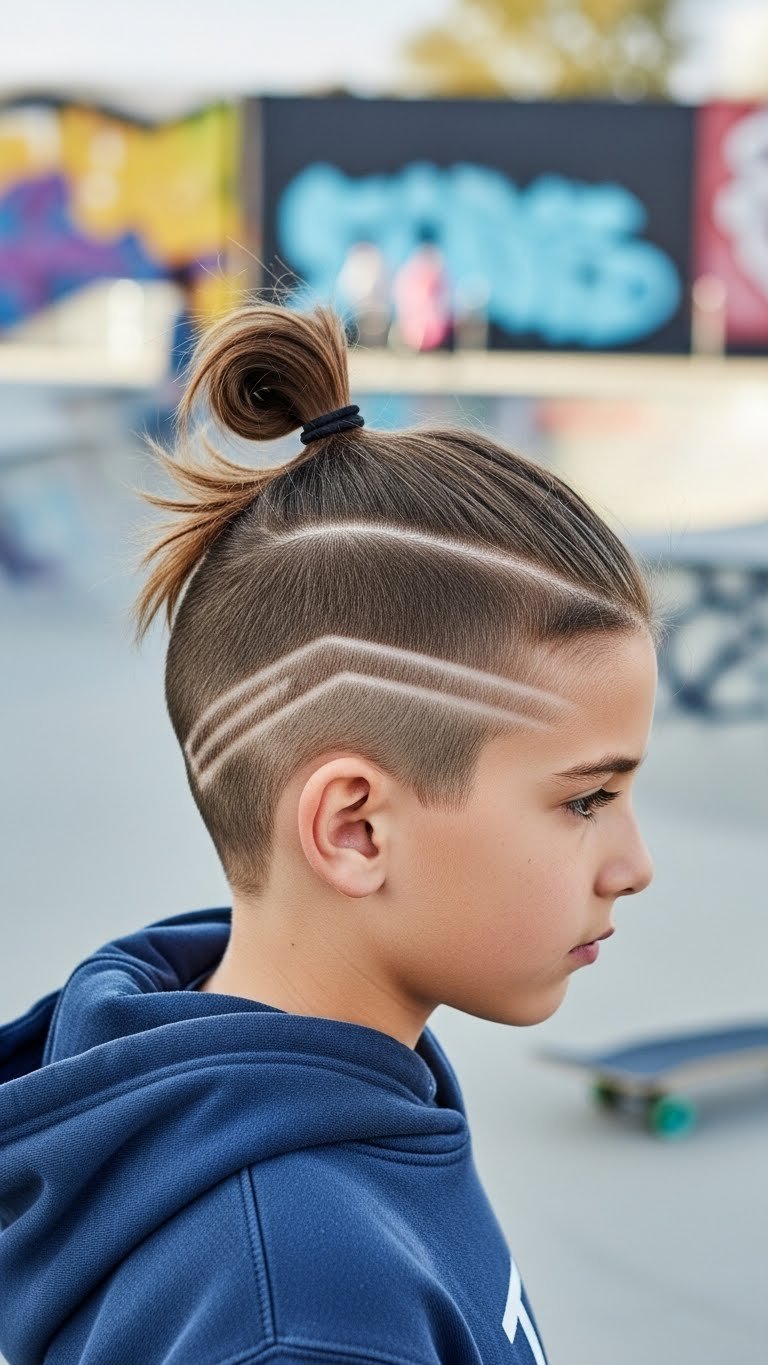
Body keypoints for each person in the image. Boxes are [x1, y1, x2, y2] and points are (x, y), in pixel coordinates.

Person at [0, 303, 657, 1364]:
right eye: (587, 800)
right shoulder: (304, 1308)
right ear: (355, 829)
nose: (634, 867)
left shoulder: (307, 1081)